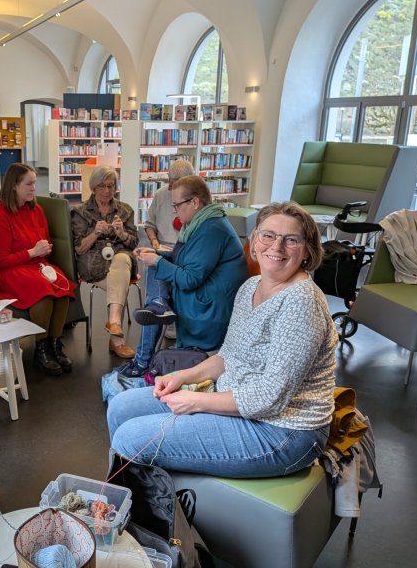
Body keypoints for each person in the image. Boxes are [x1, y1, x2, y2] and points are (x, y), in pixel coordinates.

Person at [108, 201, 337, 478]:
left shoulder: (301, 302)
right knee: (121, 407)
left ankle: (128, 516)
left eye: (291, 240)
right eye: (268, 235)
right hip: (237, 402)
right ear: (254, 241)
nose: (276, 247)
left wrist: (195, 402)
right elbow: (228, 356)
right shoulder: (251, 287)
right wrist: (183, 376)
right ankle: (124, 508)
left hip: (283, 432)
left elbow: (270, 398)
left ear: (307, 250)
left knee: (130, 438)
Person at [120, 175, 248, 377]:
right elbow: (185, 259)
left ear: (195, 202)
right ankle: (158, 305)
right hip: (206, 297)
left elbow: (190, 279)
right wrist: (158, 256)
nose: (174, 211)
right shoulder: (201, 224)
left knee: (156, 267)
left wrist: (159, 261)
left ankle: (144, 354)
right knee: (154, 265)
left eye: (177, 205)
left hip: (209, 307)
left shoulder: (211, 229)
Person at [0, 163, 76, 376]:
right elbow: (1, 260)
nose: (33, 188)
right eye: (29, 184)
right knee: (42, 291)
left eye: (34, 183)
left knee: (62, 285)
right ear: (14, 186)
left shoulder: (36, 209)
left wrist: (44, 249)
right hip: (11, 269)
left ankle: (55, 343)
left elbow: (42, 239)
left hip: (34, 263)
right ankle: (41, 349)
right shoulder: (0, 213)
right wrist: (32, 252)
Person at [71, 165, 139, 359]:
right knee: (120, 282)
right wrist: (95, 233)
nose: (107, 191)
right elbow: (78, 248)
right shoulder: (80, 212)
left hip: (119, 261)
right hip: (93, 266)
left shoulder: (125, 210)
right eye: (102, 186)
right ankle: (116, 337)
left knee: (123, 258)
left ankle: (115, 327)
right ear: (93, 187)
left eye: (111, 186)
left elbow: (133, 243)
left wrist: (122, 233)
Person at [141, 158, 195, 341]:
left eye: (176, 185)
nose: (171, 188)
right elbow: (149, 225)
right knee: (153, 261)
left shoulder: (198, 201)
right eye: (170, 183)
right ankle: (159, 306)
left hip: (188, 249)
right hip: (163, 245)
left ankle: (164, 310)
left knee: (170, 267)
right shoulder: (161, 195)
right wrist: (154, 242)